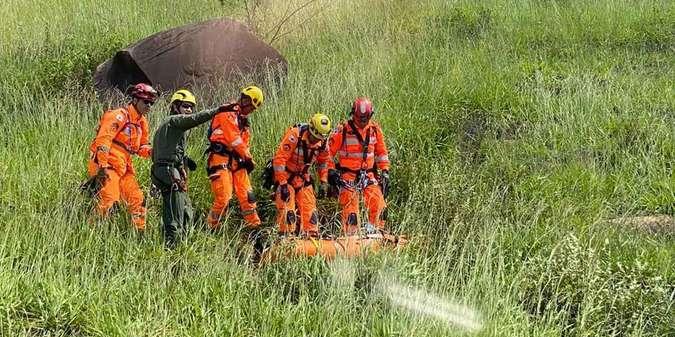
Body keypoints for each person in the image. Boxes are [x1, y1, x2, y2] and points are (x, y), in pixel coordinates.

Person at [150, 89, 220, 248]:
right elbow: (194, 119)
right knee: (176, 214)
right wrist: (217, 111)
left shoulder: (169, 128)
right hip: (168, 172)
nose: (189, 110)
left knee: (185, 209)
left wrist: (183, 162)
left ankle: (180, 244)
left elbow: (163, 151)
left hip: (166, 171)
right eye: (186, 106)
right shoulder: (174, 121)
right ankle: (173, 249)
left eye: (191, 107)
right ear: (175, 107)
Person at [86, 83, 157, 232]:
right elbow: (103, 140)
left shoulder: (142, 123)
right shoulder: (118, 115)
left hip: (124, 167)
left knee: (137, 199)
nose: (149, 106)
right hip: (106, 165)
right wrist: (103, 167)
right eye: (146, 102)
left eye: (151, 103)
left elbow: (141, 148)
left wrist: (155, 152)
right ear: (135, 99)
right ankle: (91, 231)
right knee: (109, 200)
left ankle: (139, 233)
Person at [328, 97, 390, 235]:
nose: (362, 121)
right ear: (353, 115)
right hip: (348, 176)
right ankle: (351, 237)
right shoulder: (342, 130)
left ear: (370, 116)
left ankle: (376, 232)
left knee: (379, 205)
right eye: (360, 118)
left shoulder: (375, 130)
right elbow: (327, 154)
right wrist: (331, 171)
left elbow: (382, 153)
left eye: (365, 118)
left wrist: (385, 171)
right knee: (351, 212)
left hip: (368, 175)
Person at [205, 86, 264, 232]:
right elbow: (234, 139)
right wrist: (248, 158)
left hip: (237, 160)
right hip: (220, 158)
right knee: (224, 197)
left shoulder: (243, 122)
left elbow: (244, 144)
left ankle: (254, 229)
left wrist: (247, 160)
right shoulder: (227, 112)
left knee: (248, 197)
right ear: (246, 100)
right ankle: (212, 227)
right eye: (252, 107)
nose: (252, 111)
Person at [272, 113, 332, 237]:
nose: (316, 141)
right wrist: (282, 184)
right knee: (287, 206)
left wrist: (323, 181)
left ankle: (311, 235)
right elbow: (279, 160)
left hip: (302, 178)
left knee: (310, 209)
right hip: (286, 177)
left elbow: (323, 163)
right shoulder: (295, 135)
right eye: (315, 137)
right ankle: (285, 236)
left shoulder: (323, 143)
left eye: (319, 138)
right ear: (311, 129)